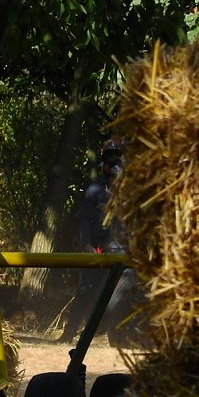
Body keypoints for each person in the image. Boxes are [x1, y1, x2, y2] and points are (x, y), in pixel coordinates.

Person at [59, 139, 126, 343]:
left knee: (117, 296)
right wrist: (86, 243)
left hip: (120, 250)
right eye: (109, 157)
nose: (113, 162)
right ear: (103, 161)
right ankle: (69, 334)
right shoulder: (94, 190)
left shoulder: (130, 192)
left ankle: (113, 337)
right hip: (96, 250)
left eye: (117, 157)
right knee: (84, 291)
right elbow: (85, 219)